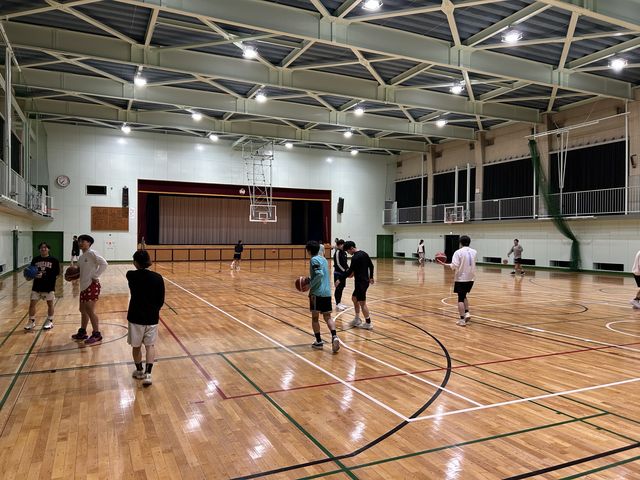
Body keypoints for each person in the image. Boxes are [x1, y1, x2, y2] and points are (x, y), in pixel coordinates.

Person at [127, 249, 165, 386]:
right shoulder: (158, 277)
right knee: (150, 346)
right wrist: (154, 310)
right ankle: (148, 374)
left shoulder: (130, 275)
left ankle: (139, 371)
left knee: (136, 346)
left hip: (135, 316)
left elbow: (137, 273)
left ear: (135, 262)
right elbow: (161, 300)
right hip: (152, 317)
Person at [71, 234, 108, 344]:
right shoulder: (81, 257)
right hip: (83, 286)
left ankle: (97, 334)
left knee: (90, 310)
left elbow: (104, 264)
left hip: (91, 285)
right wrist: (71, 274)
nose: (80, 243)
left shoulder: (92, 253)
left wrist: (95, 276)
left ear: (89, 243)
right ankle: (83, 332)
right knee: (82, 310)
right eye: (79, 241)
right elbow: (79, 271)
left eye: (83, 241)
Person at [305, 241, 340, 353]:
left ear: (309, 250)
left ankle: (319, 341)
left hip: (316, 293)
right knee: (328, 317)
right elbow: (319, 273)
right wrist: (310, 278)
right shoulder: (324, 259)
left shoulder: (314, 259)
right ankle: (334, 336)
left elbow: (319, 274)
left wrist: (310, 284)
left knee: (315, 318)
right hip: (327, 292)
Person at [440, 235, 477, 327]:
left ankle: (462, 320)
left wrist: (444, 264)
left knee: (460, 298)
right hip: (471, 278)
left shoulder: (458, 252)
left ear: (460, 243)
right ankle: (467, 313)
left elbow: (454, 266)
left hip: (461, 278)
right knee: (464, 295)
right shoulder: (474, 252)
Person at [24, 242, 60, 331]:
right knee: (32, 304)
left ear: (48, 249)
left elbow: (57, 274)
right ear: (39, 249)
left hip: (48, 286)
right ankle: (31, 321)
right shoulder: (35, 259)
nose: (43, 249)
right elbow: (31, 271)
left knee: (50, 304)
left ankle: (50, 321)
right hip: (37, 285)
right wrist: (29, 276)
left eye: (45, 247)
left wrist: (44, 276)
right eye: (41, 247)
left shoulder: (54, 260)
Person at [342, 240, 375, 330]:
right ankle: (357, 319)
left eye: (348, 251)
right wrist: (371, 277)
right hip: (364, 281)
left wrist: (341, 278)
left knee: (362, 303)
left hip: (361, 282)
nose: (348, 253)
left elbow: (350, 271)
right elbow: (371, 266)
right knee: (354, 298)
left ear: (351, 248)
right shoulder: (364, 254)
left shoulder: (355, 257)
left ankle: (368, 323)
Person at [333, 239, 349, 311]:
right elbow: (338, 264)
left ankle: (339, 302)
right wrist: (344, 270)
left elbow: (345, 263)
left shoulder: (344, 253)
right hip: (338, 273)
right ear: (339, 245)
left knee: (342, 287)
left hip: (343, 274)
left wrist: (348, 269)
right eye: (342, 245)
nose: (343, 246)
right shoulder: (337, 253)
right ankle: (337, 303)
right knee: (338, 288)